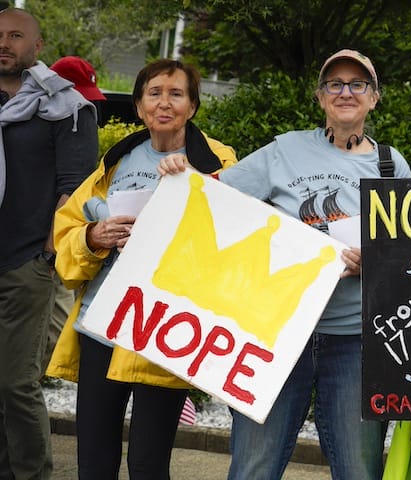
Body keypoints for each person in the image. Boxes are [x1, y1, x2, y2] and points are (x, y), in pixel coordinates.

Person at [159, 48, 411, 480]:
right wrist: (179, 169)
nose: (345, 92)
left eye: (358, 85)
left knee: (360, 469)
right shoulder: (285, 150)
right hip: (275, 333)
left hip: (354, 340)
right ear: (320, 97)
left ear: (374, 98)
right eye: (335, 84)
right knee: (254, 467)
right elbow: (214, 195)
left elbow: (408, 253)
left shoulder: (391, 166)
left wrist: (375, 262)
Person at [46, 59, 237, 479]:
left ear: (192, 106)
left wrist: (193, 185)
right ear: (138, 105)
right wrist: (94, 237)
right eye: (154, 93)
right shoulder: (117, 159)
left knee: (149, 464)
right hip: (102, 324)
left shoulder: (217, 161)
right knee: (93, 461)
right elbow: (68, 230)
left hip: (165, 330)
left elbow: (237, 238)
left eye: (176, 94)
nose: (164, 103)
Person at [0, 8, 99, 479]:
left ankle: (32, 473)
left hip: (25, 264)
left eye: (15, 36)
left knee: (15, 382)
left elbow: (73, 188)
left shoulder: (66, 108)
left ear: (37, 47)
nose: (4, 43)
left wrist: (45, 254)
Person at [40, 56, 108, 374]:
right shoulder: (43, 124)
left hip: (66, 248)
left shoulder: (81, 123)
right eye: (79, 95)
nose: (83, 105)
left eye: (88, 99)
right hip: (47, 249)